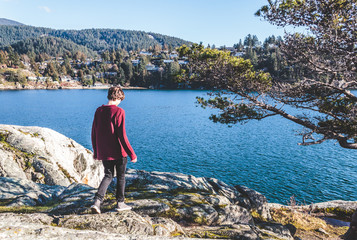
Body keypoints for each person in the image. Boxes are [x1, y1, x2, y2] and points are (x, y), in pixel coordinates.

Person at [90, 86, 137, 214]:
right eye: (120, 99)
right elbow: (122, 135)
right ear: (117, 97)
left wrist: (96, 151)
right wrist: (132, 154)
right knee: (121, 177)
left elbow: (94, 133)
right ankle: (120, 203)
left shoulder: (99, 111)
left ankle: (97, 202)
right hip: (119, 152)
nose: (120, 102)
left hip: (105, 152)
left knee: (108, 176)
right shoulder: (119, 111)